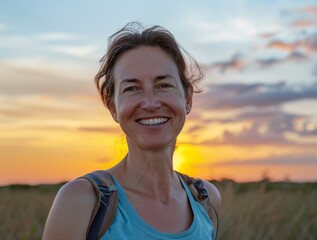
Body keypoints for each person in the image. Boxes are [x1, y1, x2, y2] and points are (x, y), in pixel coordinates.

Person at [43, 22, 221, 240]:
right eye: (132, 89)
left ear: (187, 99)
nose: (150, 103)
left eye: (163, 85)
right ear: (112, 106)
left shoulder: (206, 199)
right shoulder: (82, 202)